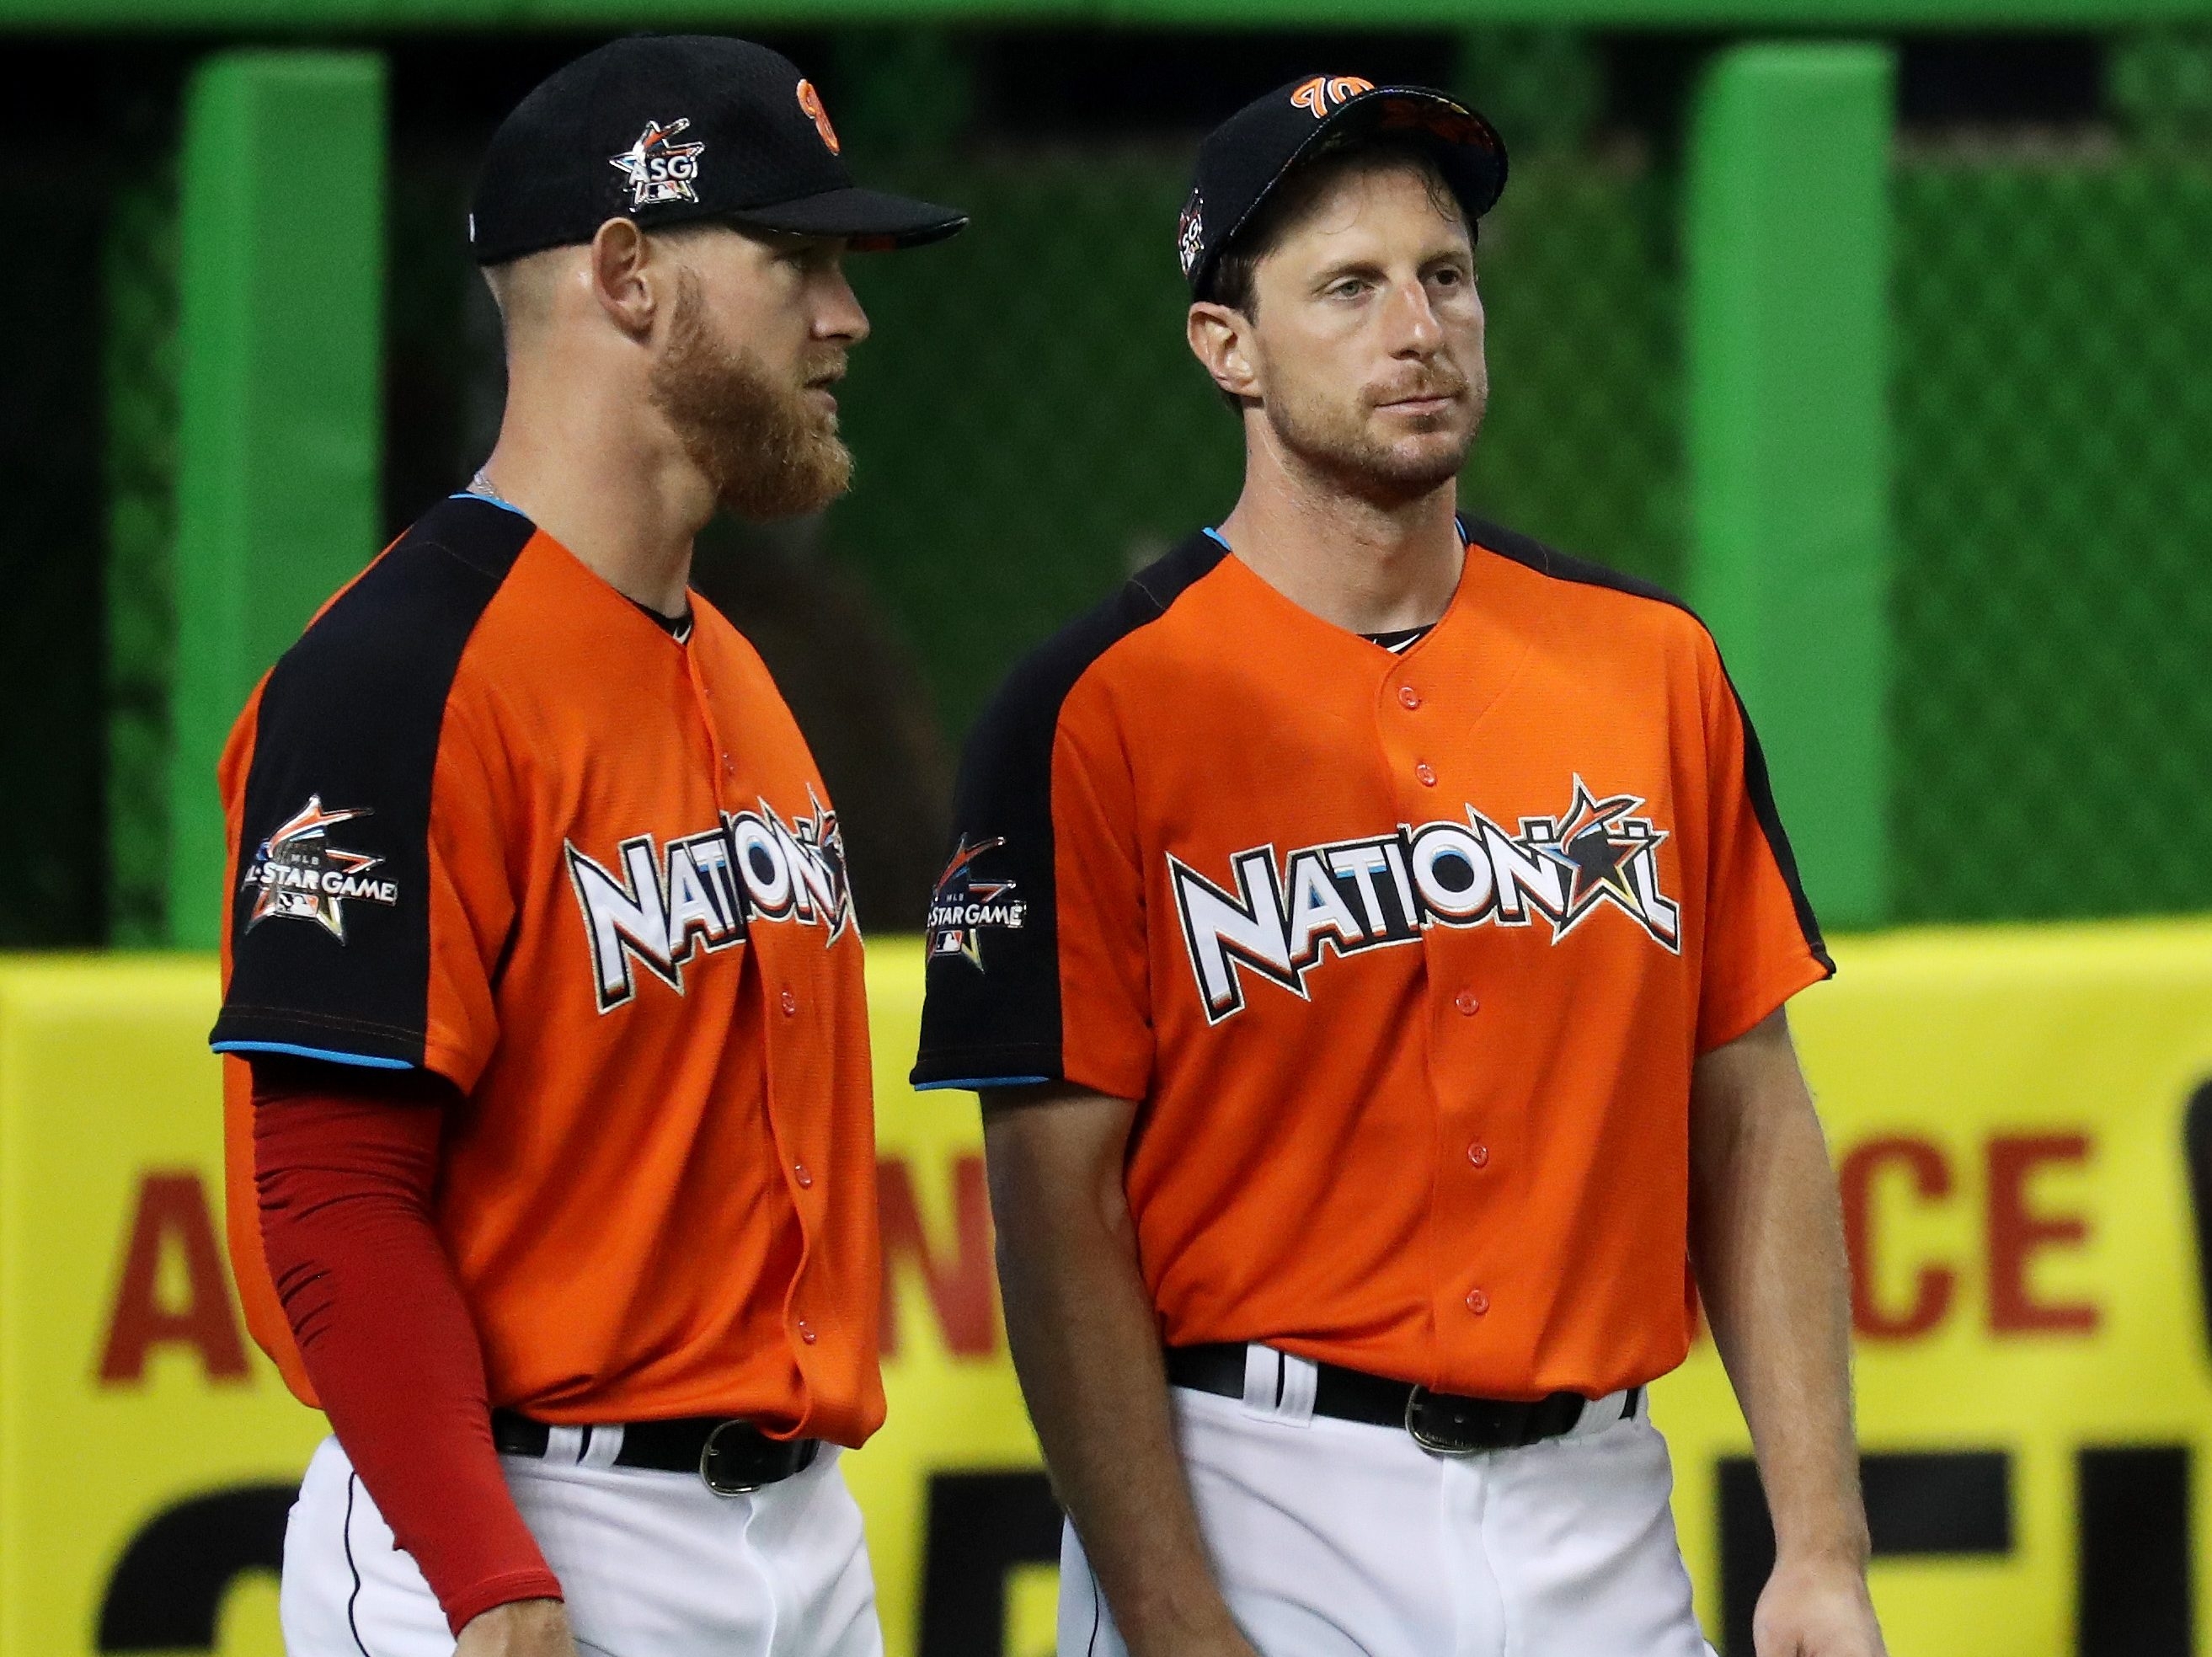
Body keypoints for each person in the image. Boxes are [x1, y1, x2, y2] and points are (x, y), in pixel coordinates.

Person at [912, 74, 1886, 1657]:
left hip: (1600, 1507)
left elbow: (1751, 1107)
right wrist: (1168, 1609)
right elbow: (1053, 1203)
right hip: (1255, 1486)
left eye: (1444, 276)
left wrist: (1820, 1547)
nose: (1415, 327)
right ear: (1226, 347)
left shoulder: (1650, 665)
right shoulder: (1094, 706)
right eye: (1347, 289)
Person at [208, 35, 964, 1657]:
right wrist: (489, 1581)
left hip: (794, 1532)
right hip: (519, 1525)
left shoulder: (732, 664)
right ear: (627, 272)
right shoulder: (396, 675)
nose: (847, 317)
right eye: (796, 259)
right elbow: (330, 1191)